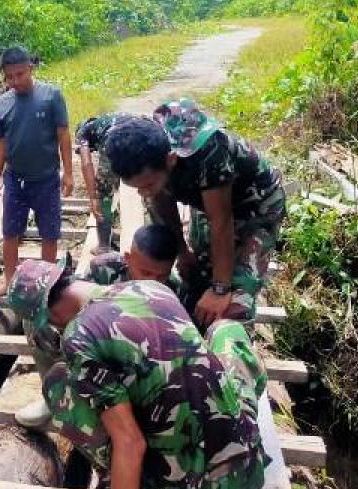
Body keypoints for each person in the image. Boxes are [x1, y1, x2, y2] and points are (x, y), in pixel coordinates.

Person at [8, 261, 267, 489]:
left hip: (182, 487)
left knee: (58, 382)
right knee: (228, 330)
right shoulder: (153, 288)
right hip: (239, 463)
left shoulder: (78, 337)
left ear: (49, 316)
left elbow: (130, 442)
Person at [104, 100, 286, 328]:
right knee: (196, 272)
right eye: (138, 188)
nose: (143, 193)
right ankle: (193, 328)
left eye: (147, 185)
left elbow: (221, 221)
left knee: (234, 295)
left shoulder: (208, 152)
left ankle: (230, 347)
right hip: (204, 196)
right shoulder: (142, 150)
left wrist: (221, 289)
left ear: (170, 160)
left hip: (257, 205)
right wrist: (182, 250)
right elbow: (161, 199)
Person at [14, 224, 179, 430]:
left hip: (136, 366)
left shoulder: (173, 290)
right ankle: (56, 392)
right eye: (145, 272)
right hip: (93, 348)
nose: (152, 282)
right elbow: (73, 307)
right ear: (128, 258)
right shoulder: (104, 269)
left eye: (161, 276)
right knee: (37, 320)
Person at [0, 45, 73, 299]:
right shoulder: (3, 103)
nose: (15, 81)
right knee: (10, 232)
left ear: (30, 69)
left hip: (46, 179)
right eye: (10, 77)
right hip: (15, 179)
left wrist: (69, 173)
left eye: (20, 74)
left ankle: (45, 283)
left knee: (49, 233)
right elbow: (1, 144)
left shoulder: (51, 96)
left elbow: (63, 135)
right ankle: (9, 281)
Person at [74, 113, 133, 251]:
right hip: (139, 135)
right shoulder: (107, 120)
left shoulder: (83, 132)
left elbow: (86, 162)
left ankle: (103, 247)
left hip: (114, 141)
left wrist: (93, 196)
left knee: (103, 194)